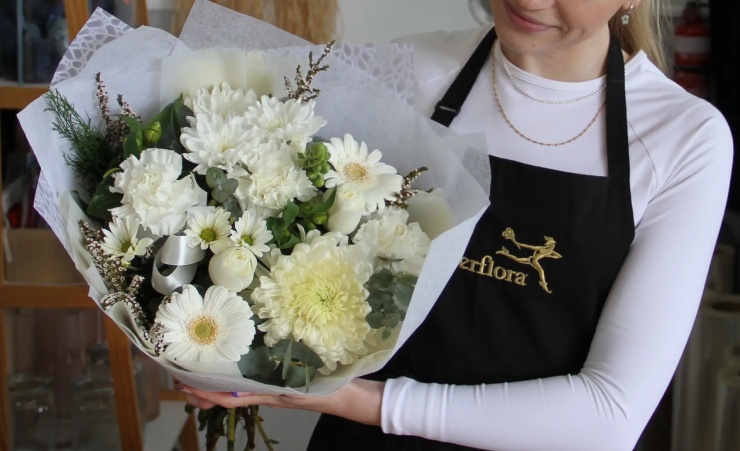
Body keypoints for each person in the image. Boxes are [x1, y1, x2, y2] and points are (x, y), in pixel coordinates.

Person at [177, 0, 734, 449]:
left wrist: (344, 399)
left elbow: (609, 417)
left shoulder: (682, 139)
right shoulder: (409, 72)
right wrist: (209, 330)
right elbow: (271, 211)